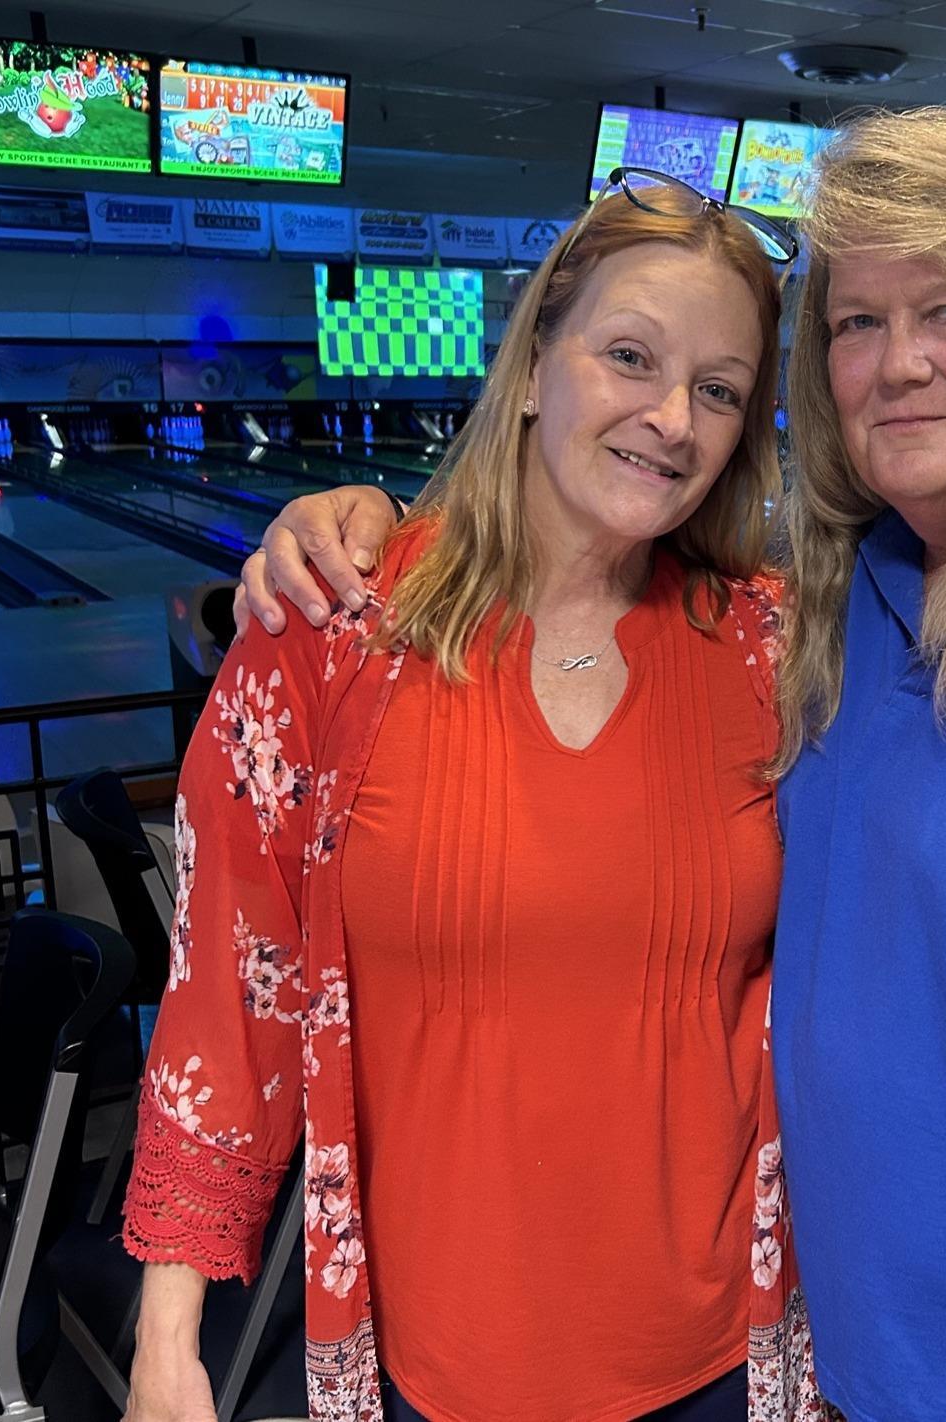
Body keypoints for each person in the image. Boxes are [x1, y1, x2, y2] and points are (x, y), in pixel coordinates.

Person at [240, 108, 946, 1422]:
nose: (896, 364)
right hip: (842, 1341)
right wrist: (367, 522)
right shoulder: (859, 582)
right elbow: (564, 545)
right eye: (857, 322)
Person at [121, 172, 818, 1422]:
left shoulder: (775, 652)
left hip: (723, 1360)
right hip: (436, 1373)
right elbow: (231, 985)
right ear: (538, 353)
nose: (672, 416)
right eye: (628, 355)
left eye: (719, 389)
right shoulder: (334, 630)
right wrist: (169, 1337)